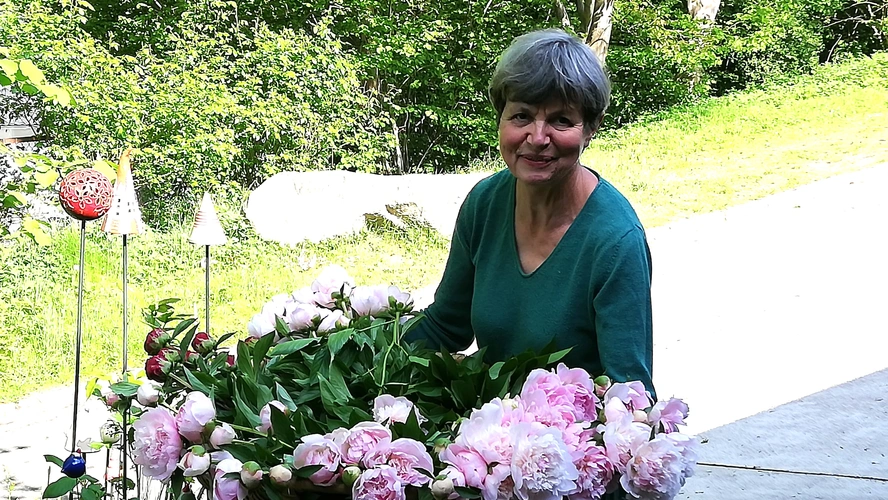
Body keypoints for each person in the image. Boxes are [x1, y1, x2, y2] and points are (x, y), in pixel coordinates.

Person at [406, 28, 655, 397]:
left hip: (569, 445)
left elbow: (632, 394)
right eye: (521, 116)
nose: (538, 138)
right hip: (488, 432)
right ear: (500, 119)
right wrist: (360, 349)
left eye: (561, 120)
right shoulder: (485, 203)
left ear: (591, 128)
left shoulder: (615, 242)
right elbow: (446, 326)